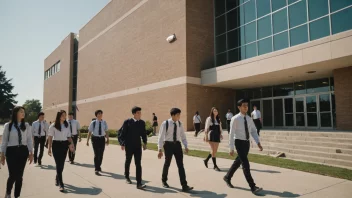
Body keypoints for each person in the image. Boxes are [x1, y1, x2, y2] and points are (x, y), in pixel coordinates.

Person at [223, 99, 263, 194]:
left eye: (247, 105)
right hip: (239, 143)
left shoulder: (249, 118)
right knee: (245, 164)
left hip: (246, 143)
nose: (246, 107)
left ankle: (227, 177)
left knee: (238, 162)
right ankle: (252, 186)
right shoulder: (235, 119)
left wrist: (258, 142)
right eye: (244, 105)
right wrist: (231, 148)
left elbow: (253, 130)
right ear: (239, 107)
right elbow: (231, 133)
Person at [157, 108, 193, 192]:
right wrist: (160, 149)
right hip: (168, 145)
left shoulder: (180, 124)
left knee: (180, 165)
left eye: (179, 114)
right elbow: (161, 136)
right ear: (173, 115)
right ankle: (164, 180)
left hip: (177, 145)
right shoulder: (165, 123)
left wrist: (186, 146)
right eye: (177, 115)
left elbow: (183, 136)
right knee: (167, 163)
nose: (179, 116)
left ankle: (184, 185)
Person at [1, 106, 34, 198]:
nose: (23, 113)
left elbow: (29, 140)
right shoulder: (8, 125)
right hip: (11, 151)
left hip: (23, 151)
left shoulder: (27, 125)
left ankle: (17, 195)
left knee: (19, 176)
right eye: (21, 111)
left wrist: (31, 153)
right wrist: (2, 154)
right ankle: (8, 192)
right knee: (12, 175)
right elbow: (4, 141)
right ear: (16, 113)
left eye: (24, 112)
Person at [119, 106, 148, 189]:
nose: (140, 114)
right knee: (128, 161)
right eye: (138, 113)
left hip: (137, 146)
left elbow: (143, 133)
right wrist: (122, 143)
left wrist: (145, 142)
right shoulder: (128, 122)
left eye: (140, 112)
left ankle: (139, 183)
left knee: (138, 164)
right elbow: (122, 134)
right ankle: (127, 176)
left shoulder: (142, 123)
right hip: (129, 145)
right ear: (134, 114)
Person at [47, 110, 74, 192]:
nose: (64, 117)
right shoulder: (53, 125)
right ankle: (61, 184)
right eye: (62, 115)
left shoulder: (67, 124)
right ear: (59, 116)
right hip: (56, 145)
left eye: (65, 115)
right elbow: (50, 137)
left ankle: (57, 177)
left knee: (61, 164)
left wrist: (72, 145)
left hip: (64, 145)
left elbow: (69, 136)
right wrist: (49, 148)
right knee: (58, 164)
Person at [86, 110, 109, 175]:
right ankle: (96, 168)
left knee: (101, 154)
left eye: (101, 113)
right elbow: (89, 132)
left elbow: (106, 131)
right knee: (96, 154)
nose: (100, 115)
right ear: (96, 115)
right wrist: (87, 141)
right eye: (99, 114)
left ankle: (99, 166)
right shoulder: (93, 122)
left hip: (102, 139)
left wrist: (107, 139)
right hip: (95, 139)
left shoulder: (104, 122)